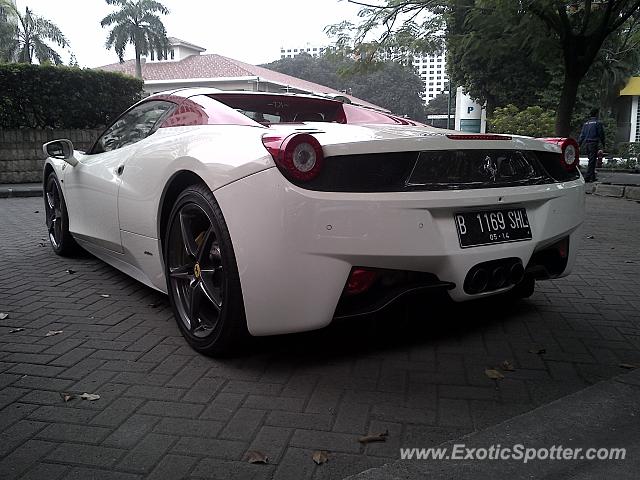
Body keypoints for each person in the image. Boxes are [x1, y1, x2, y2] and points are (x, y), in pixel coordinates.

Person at [578, 108, 606, 182]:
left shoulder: (586, 124)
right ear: (596, 114)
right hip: (593, 143)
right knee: (592, 161)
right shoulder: (597, 123)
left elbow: (582, 135)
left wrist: (579, 144)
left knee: (591, 160)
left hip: (586, 143)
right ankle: (588, 177)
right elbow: (601, 134)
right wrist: (603, 143)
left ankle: (592, 176)